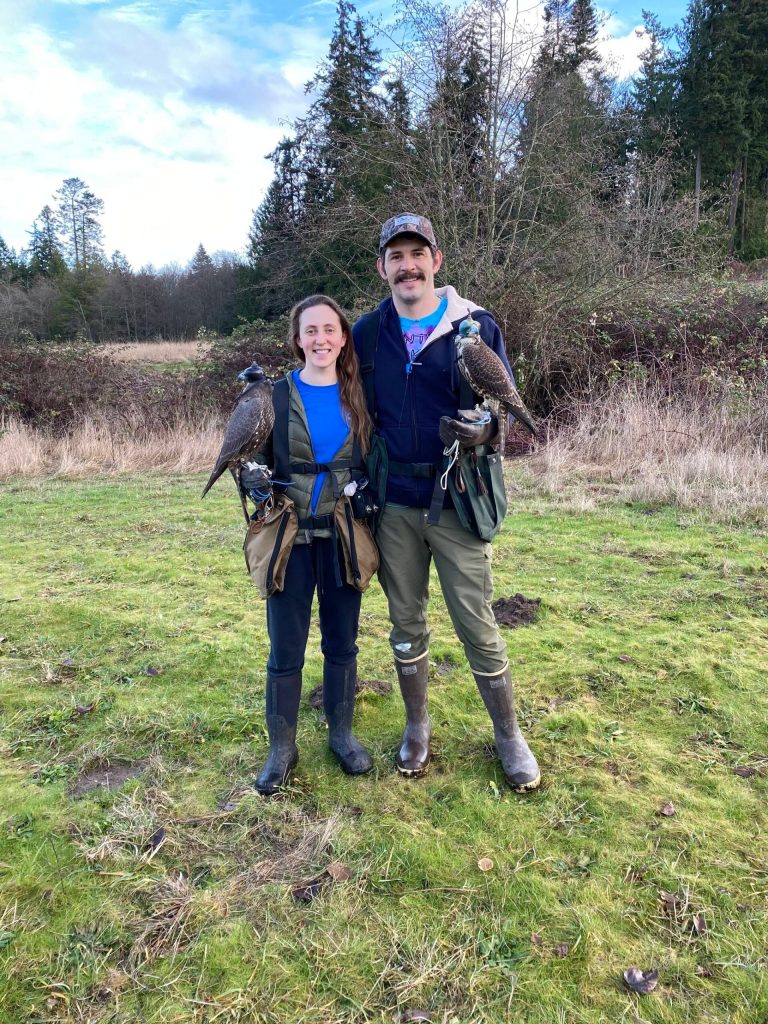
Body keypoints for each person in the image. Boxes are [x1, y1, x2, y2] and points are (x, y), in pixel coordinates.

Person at [352, 213, 540, 792]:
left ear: (436, 261)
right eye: (395, 256)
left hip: (457, 496)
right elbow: (349, 408)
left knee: (476, 621)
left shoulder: (477, 327)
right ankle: (416, 725)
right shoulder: (365, 332)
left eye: (417, 254)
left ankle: (508, 735)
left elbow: (502, 410)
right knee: (405, 621)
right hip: (394, 504)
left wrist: (485, 434)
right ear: (382, 267)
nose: (407, 266)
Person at [245, 295, 375, 795]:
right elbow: (249, 458)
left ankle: (342, 736)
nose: (320, 339)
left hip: (344, 535)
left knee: (342, 642)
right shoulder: (273, 397)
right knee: (285, 648)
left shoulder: (361, 394)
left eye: (329, 330)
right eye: (310, 331)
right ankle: (282, 748)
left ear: (343, 338)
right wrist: (254, 483)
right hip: (290, 537)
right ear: (297, 340)